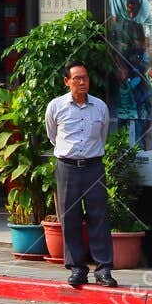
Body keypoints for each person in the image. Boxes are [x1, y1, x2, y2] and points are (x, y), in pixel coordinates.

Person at [44, 60, 115, 288]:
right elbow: (52, 135)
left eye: (85, 77)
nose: (82, 82)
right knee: (70, 217)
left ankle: (103, 269)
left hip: (94, 166)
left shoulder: (100, 107)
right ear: (67, 82)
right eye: (77, 78)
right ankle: (77, 268)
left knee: (99, 217)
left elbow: (102, 135)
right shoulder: (55, 107)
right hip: (67, 167)